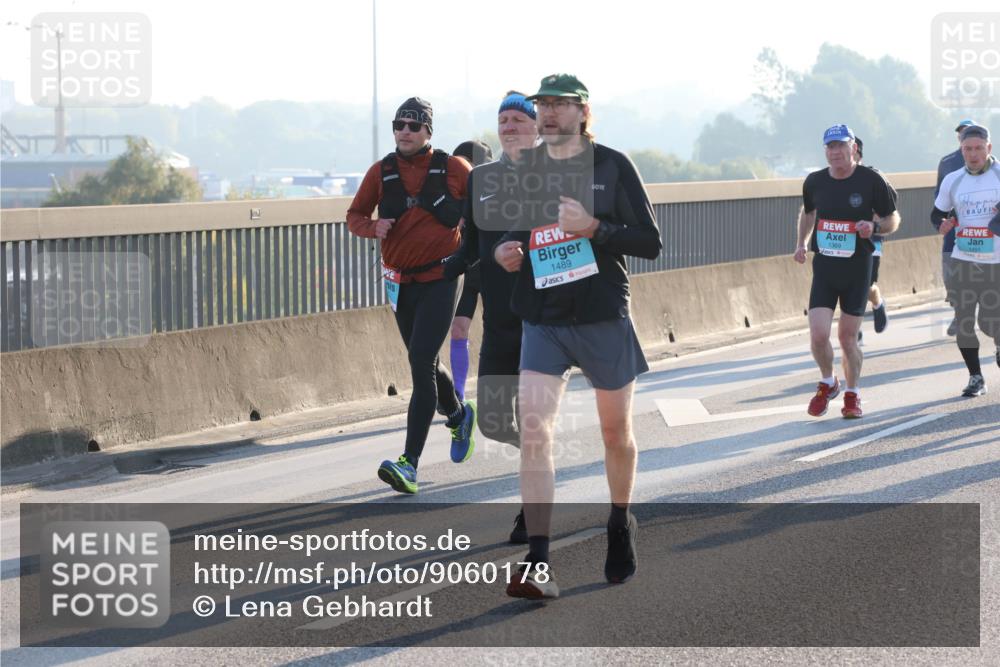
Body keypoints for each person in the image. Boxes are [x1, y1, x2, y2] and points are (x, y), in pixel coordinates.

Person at [493, 74, 661, 598]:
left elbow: (651, 242)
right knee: (535, 431)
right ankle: (538, 560)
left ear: (583, 113)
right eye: (543, 104)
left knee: (615, 433)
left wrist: (595, 229)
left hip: (601, 314)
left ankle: (619, 522)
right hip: (543, 316)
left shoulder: (612, 165)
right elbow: (515, 232)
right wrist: (506, 252)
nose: (548, 114)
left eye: (560, 105)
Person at [346, 97, 476, 494]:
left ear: (428, 132)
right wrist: (374, 228)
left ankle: (409, 464)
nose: (405, 131)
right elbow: (354, 217)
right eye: (399, 124)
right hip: (399, 283)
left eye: (414, 125)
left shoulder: (455, 169)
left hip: (440, 278)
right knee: (425, 360)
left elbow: (484, 210)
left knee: (420, 361)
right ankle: (457, 415)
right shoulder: (380, 172)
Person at [445, 92, 540, 544]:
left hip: (543, 320)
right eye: (503, 119)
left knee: (532, 416)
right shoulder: (481, 176)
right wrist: (446, 266)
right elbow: (470, 244)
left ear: (537, 127)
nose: (509, 126)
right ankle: (541, 458)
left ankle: (531, 510)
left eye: (519, 119)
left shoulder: (554, 174)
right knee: (496, 422)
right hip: (500, 321)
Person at [794, 124, 900, 419]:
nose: (835, 152)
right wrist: (801, 243)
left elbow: (893, 219)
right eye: (830, 147)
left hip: (857, 269)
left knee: (847, 338)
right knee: (817, 335)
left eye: (841, 146)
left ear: (854, 148)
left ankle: (852, 394)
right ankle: (828, 383)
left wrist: (875, 227)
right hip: (825, 268)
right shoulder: (815, 181)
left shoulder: (871, 180)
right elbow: (809, 212)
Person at [931, 124, 1000, 397]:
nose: (973, 155)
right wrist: (942, 224)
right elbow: (936, 213)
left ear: (989, 148)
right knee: (964, 321)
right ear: (961, 150)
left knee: (990, 321)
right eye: (967, 149)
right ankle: (975, 378)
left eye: (978, 149)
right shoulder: (953, 180)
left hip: (996, 262)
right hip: (964, 260)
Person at [449, 140, 494, 403]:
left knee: (496, 332)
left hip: (495, 271)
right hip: (466, 272)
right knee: (458, 329)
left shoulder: (500, 191)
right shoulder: (451, 194)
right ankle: (458, 395)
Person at [935, 119, 978, 337]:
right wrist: (940, 221)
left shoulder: (993, 165)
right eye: (961, 133)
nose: (964, 136)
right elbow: (938, 199)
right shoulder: (947, 162)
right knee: (951, 276)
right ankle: (959, 313)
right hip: (954, 230)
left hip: (984, 231)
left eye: (969, 132)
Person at [853, 137, 898, 339]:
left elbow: (891, 205)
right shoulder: (832, 179)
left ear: (857, 152)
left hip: (871, 241)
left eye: (844, 148)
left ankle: (877, 303)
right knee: (847, 285)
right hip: (843, 242)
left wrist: (875, 221)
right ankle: (854, 327)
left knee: (865, 285)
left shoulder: (874, 177)